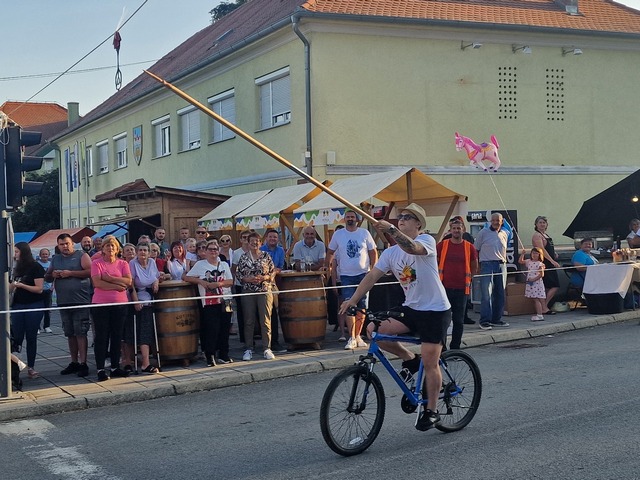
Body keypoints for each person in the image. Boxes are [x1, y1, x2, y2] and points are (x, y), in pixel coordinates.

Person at [339, 203, 451, 431]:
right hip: (411, 308)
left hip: (435, 310)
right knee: (374, 330)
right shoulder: (390, 253)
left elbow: (412, 248)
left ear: (418, 224)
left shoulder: (426, 241)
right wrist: (353, 300)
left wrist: (391, 229)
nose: (402, 219)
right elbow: (371, 277)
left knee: (430, 361)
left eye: (408, 217)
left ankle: (432, 410)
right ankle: (410, 359)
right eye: (400, 216)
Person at [324, 209, 378, 350]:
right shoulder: (338, 234)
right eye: (347, 217)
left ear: (357, 219)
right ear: (344, 219)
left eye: (352, 217)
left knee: (362, 306)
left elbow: (373, 252)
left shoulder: (364, 233)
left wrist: (373, 269)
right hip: (346, 276)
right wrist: (327, 266)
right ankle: (351, 337)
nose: (350, 219)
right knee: (349, 305)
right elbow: (330, 251)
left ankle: (358, 336)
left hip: (364, 275)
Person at [46, 233, 92, 377]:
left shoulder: (82, 255)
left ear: (72, 243)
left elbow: (91, 271)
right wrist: (52, 275)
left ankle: (83, 363)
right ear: (58, 246)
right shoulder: (55, 258)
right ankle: (74, 362)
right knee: (69, 333)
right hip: (63, 301)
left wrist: (70, 273)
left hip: (80, 300)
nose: (65, 246)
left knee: (81, 332)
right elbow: (47, 276)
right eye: (62, 244)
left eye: (67, 243)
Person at [185, 240, 234, 365]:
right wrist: (201, 282)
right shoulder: (200, 264)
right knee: (212, 329)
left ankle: (224, 354)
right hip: (209, 301)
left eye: (215, 249)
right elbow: (186, 277)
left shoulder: (224, 264)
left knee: (225, 328)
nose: (213, 251)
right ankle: (210, 355)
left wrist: (218, 284)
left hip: (225, 299)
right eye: (210, 249)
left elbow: (230, 281)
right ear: (206, 251)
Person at [90, 235, 132, 381]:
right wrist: (117, 286)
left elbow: (128, 281)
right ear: (103, 248)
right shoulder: (96, 263)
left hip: (120, 304)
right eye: (107, 245)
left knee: (117, 336)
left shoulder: (123, 263)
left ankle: (115, 367)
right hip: (101, 304)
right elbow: (97, 283)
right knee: (102, 337)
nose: (110, 248)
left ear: (117, 248)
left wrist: (111, 278)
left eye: (113, 245)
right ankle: (100, 369)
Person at [436, 220, 478, 350]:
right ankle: (442, 349)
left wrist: (469, 279)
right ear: (450, 230)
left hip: (461, 289)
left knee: (459, 321)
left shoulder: (469, 247)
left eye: (458, 228)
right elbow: (435, 263)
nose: (456, 231)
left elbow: (474, 266)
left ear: (463, 230)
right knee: (443, 320)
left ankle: (455, 348)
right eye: (454, 228)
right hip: (444, 288)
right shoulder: (442, 245)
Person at [237, 232, 276, 361]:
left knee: (265, 320)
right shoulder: (243, 257)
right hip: (248, 291)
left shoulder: (266, 256)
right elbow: (239, 275)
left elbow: (272, 272)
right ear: (248, 243)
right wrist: (248, 279)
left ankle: (267, 348)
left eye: (257, 241)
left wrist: (264, 277)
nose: (254, 243)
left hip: (264, 290)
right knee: (249, 320)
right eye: (252, 241)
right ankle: (249, 348)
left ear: (260, 243)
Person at [10, 242, 45, 379]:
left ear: (23, 252)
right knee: (16, 337)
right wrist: (12, 286)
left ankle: (31, 367)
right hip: (18, 305)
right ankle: (16, 366)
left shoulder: (36, 267)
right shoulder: (16, 267)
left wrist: (22, 285)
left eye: (17, 252)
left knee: (31, 336)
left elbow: (39, 289)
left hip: (33, 304)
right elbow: (11, 286)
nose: (15, 254)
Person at [128, 242, 161, 373]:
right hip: (139, 300)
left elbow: (156, 276)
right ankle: (145, 364)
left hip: (151, 300)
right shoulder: (133, 263)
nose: (143, 252)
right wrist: (135, 301)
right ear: (137, 252)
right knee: (143, 332)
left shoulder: (152, 262)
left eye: (145, 250)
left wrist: (156, 282)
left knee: (148, 331)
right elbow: (131, 284)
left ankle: (147, 361)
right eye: (140, 250)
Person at [474, 212, 509, 330]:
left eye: (497, 220)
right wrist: (477, 266)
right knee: (486, 294)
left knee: (500, 293)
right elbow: (475, 249)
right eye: (493, 220)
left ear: (502, 221)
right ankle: (484, 321)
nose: (495, 222)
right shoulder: (483, 233)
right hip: (487, 264)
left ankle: (496, 319)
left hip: (501, 265)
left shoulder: (505, 233)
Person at [259, 229, 287, 353]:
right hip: (262, 284)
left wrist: (273, 272)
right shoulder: (261, 250)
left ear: (278, 239)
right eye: (270, 237)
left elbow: (280, 267)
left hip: (275, 283)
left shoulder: (280, 250)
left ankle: (274, 341)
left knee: (274, 313)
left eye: (275, 237)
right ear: (266, 238)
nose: (272, 239)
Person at [532, 216, 560, 315]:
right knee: (553, 285)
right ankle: (544, 307)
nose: (542, 224)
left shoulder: (546, 235)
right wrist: (552, 261)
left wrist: (554, 253)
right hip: (545, 263)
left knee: (551, 286)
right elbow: (542, 250)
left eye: (544, 222)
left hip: (550, 262)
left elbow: (548, 248)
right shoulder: (537, 235)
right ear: (536, 224)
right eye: (540, 222)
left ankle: (544, 306)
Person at [231, 230, 252, 343]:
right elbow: (234, 269)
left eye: (248, 237)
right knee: (241, 311)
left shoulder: (254, 250)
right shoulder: (236, 253)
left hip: (254, 285)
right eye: (244, 237)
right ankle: (243, 338)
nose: (246, 239)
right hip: (241, 285)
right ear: (240, 239)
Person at [519, 248, 546, 321]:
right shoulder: (528, 261)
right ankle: (539, 314)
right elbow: (520, 261)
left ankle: (540, 315)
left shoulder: (540, 264)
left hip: (536, 283)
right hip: (530, 283)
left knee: (536, 299)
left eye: (536, 253)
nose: (534, 255)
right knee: (534, 299)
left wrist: (533, 279)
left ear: (540, 255)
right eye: (533, 253)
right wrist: (522, 254)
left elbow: (541, 274)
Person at [37, 248, 53, 334]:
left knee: (48, 309)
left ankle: (47, 326)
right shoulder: (37, 265)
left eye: (46, 254)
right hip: (39, 290)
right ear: (40, 255)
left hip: (48, 290)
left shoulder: (51, 265)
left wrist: (52, 287)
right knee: (38, 309)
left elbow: (54, 277)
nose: (45, 256)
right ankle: (37, 327)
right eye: (43, 254)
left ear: (48, 255)